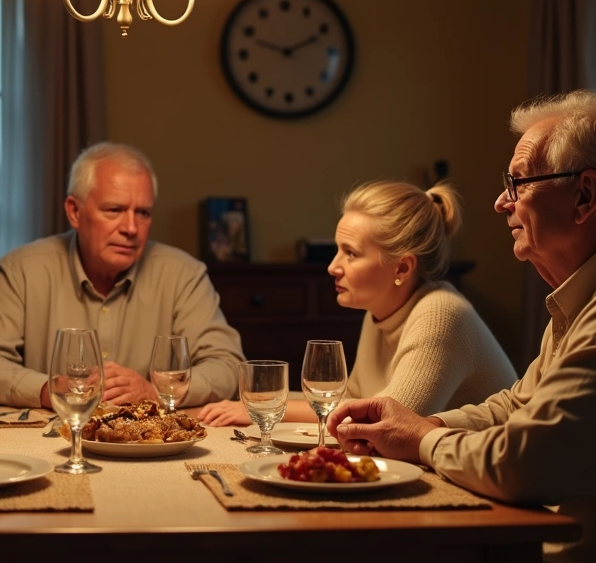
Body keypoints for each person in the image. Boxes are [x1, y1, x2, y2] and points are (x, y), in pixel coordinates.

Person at [329, 90, 596, 563]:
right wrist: (429, 423)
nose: (501, 201)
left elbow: (525, 466)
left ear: (586, 196)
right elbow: (518, 405)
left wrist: (420, 439)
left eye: (517, 182)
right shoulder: (595, 290)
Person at [198, 181, 516, 427]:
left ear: (402, 268)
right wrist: (259, 404)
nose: (333, 267)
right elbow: (351, 402)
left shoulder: (440, 313)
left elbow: (381, 423)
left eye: (350, 253)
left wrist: (266, 408)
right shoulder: (380, 310)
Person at [0, 142, 245, 408]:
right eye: (114, 210)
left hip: (149, 446)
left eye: (143, 213)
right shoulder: (21, 270)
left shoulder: (184, 275)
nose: (131, 228)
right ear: (74, 212)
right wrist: (48, 389)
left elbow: (228, 365)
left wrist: (155, 389)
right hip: (51, 446)